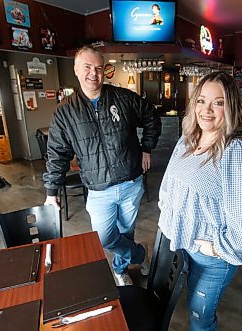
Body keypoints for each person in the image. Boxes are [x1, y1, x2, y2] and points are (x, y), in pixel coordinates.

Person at [158, 71, 242, 330]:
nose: (206, 110)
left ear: (231, 107)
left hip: (211, 259)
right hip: (182, 246)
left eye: (218, 102)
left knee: (200, 319)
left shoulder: (238, 154)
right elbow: (168, 189)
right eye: (201, 101)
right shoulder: (187, 140)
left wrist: (218, 248)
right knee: (186, 304)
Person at [43, 46, 161, 286]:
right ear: (76, 70)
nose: (93, 73)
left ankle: (120, 270)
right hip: (98, 190)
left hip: (131, 181)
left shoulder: (123, 98)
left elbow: (151, 117)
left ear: (105, 71)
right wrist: (51, 191)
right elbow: (57, 153)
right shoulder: (65, 112)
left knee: (126, 232)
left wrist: (146, 148)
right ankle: (139, 254)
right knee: (105, 238)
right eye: (87, 67)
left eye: (98, 68)